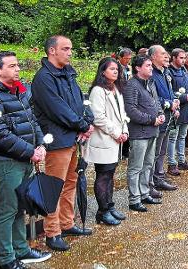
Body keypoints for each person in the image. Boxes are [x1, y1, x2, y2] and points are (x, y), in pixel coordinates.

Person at [0, 51, 51, 269]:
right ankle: (7, 259)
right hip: (7, 162)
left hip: (26, 157)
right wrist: (30, 151)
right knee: (7, 209)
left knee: (20, 207)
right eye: (12, 66)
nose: (18, 69)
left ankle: (22, 249)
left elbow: (32, 119)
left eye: (17, 65)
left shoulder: (19, 91)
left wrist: (40, 146)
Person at [31, 35, 94, 252]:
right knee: (54, 187)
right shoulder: (43, 78)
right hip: (57, 139)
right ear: (52, 51)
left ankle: (67, 223)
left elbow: (80, 101)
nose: (70, 52)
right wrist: (82, 125)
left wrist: (87, 121)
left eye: (70, 49)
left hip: (72, 137)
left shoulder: (68, 74)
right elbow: (57, 109)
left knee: (70, 183)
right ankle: (52, 232)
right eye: (65, 49)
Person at [82, 57, 128, 226]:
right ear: (103, 71)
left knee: (110, 174)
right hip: (104, 139)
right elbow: (98, 117)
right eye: (112, 69)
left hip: (116, 139)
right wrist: (117, 133)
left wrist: (124, 131)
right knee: (103, 175)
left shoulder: (116, 88)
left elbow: (122, 114)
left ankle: (110, 206)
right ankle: (102, 211)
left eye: (117, 69)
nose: (116, 71)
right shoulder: (98, 91)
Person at [123, 55, 164, 212]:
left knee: (148, 164)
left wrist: (160, 114)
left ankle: (144, 193)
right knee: (136, 166)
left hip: (152, 131)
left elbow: (156, 102)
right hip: (139, 133)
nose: (151, 68)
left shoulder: (150, 83)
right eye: (147, 65)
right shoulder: (131, 86)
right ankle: (134, 199)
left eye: (151, 65)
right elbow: (131, 110)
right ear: (138, 68)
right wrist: (151, 119)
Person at [148, 45, 179, 192]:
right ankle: (153, 180)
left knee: (163, 149)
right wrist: (168, 103)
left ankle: (159, 175)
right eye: (162, 54)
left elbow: (170, 91)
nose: (165, 56)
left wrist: (175, 103)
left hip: (168, 114)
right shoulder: (151, 73)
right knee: (156, 149)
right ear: (153, 56)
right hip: (159, 115)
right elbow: (152, 97)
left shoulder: (165, 71)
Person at [167, 48, 188, 173]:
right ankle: (172, 164)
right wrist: (184, 97)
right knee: (173, 137)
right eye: (181, 58)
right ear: (173, 58)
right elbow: (168, 92)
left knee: (182, 136)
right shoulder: (168, 72)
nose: (184, 60)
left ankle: (182, 160)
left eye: (185, 58)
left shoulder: (185, 71)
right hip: (175, 109)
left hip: (186, 109)